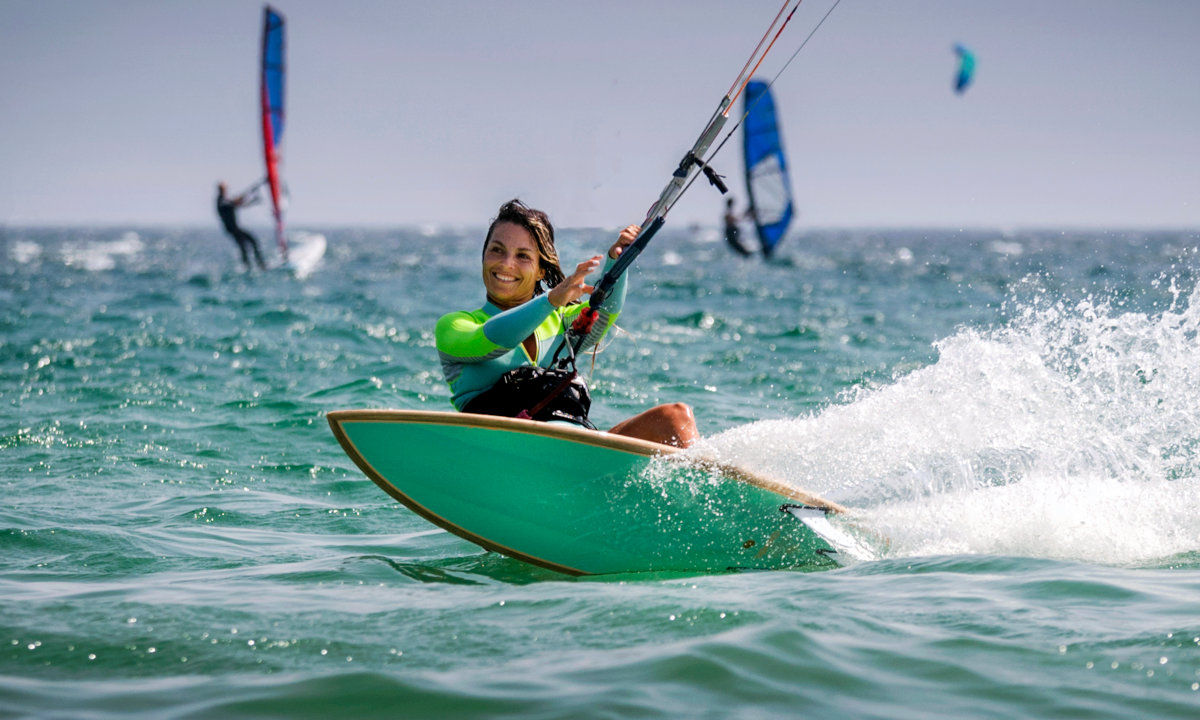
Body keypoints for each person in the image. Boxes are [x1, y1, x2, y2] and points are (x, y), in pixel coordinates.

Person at [435, 199, 699, 448]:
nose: (507, 264)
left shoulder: (560, 321)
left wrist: (617, 262)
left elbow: (604, 311)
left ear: (540, 270)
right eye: (497, 250)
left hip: (577, 454)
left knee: (676, 417)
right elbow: (491, 341)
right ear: (483, 256)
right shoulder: (456, 325)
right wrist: (551, 300)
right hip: (506, 456)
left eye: (523, 256)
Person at [216, 182, 267, 271]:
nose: (226, 190)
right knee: (248, 244)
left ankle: (253, 265)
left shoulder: (225, 200)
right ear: (220, 190)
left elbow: (239, 204)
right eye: (224, 189)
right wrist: (249, 195)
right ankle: (255, 266)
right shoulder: (221, 201)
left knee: (247, 245)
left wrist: (253, 201)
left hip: (234, 229)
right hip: (232, 229)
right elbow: (235, 203)